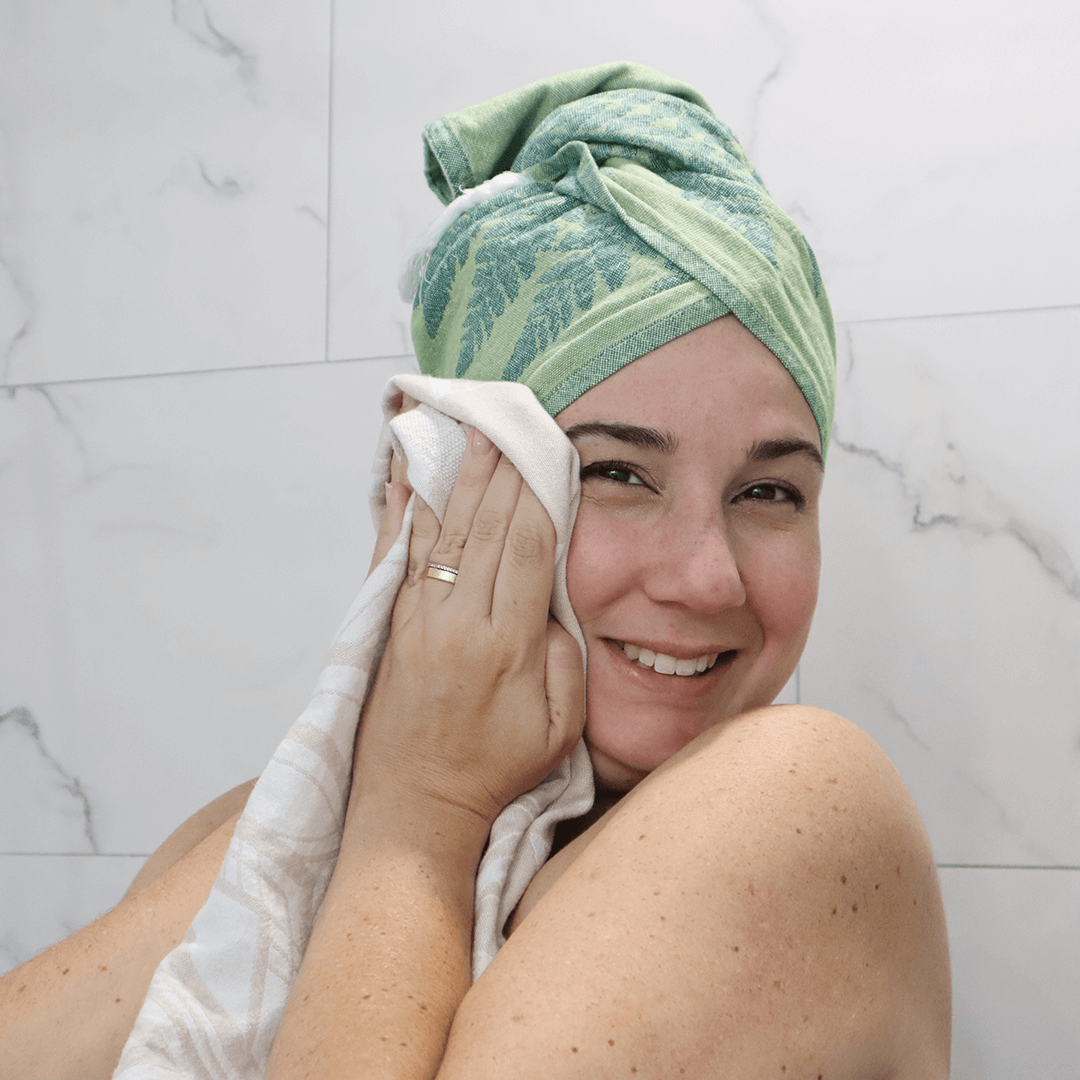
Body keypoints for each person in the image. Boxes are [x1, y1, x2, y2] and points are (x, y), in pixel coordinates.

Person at [0, 64, 950, 1079]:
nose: (708, 580)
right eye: (618, 472)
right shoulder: (273, 833)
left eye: (770, 493)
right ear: (444, 494)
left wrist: (420, 818)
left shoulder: (797, 803)